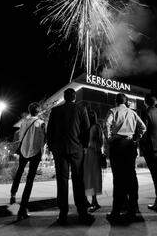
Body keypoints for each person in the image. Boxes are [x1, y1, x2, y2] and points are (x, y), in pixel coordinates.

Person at [46, 88, 94, 225]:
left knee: (62, 182)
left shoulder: (55, 111)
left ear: (65, 97)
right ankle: (82, 213)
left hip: (59, 151)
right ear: (75, 97)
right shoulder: (81, 109)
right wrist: (84, 146)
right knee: (78, 181)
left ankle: (63, 214)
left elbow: (49, 131)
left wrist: (52, 148)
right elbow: (86, 129)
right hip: (76, 149)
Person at [105, 93, 146, 223]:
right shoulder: (132, 112)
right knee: (131, 177)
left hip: (117, 145)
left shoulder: (113, 111)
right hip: (129, 145)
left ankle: (116, 211)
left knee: (118, 178)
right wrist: (136, 138)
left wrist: (109, 139)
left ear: (116, 101)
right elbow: (143, 127)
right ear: (126, 101)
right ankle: (133, 209)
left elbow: (106, 124)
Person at [10, 102, 45, 220]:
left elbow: (20, 136)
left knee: (19, 171)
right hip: (35, 152)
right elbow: (42, 139)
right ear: (39, 111)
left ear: (30, 111)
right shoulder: (41, 123)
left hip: (24, 150)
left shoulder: (24, 122)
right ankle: (22, 209)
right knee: (30, 180)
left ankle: (13, 194)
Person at [83, 110, 104, 213]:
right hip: (97, 153)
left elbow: (90, 143)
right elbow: (101, 141)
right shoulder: (98, 127)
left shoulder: (90, 128)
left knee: (89, 177)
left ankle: (92, 201)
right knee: (95, 177)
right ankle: (94, 200)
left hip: (90, 154)